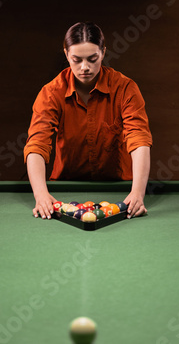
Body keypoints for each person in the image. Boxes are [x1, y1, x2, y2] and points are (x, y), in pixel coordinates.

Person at [24, 22, 152, 220]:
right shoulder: (50, 93)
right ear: (66, 54)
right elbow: (36, 145)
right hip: (65, 190)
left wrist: (137, 193)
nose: (85, 67)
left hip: (120, 191)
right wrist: (41, 195)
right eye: (76, 60)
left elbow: (139, 140)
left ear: (103, 52)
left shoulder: (126, 88)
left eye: (92, 59)